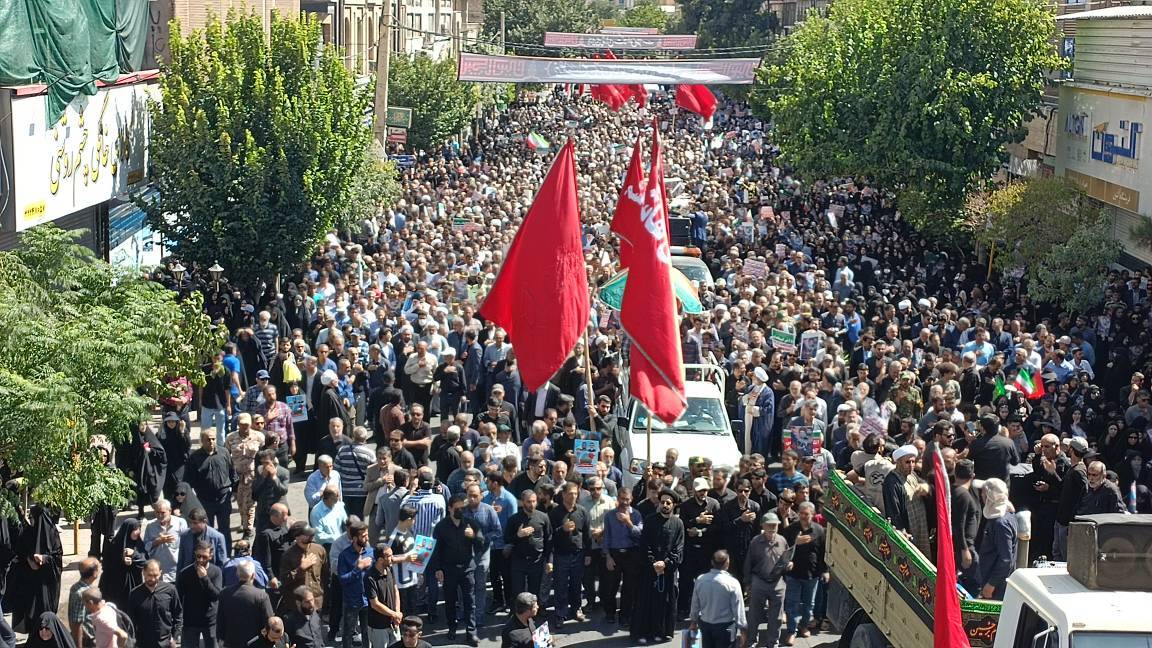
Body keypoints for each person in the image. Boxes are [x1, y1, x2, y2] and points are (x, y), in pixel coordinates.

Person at [429, 493, 483, 646]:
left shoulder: (471, 524)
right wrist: (438, 569)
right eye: (457, 508)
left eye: (462, 508)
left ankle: (471, 632)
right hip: (449, 569)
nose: (460, 511)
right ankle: (452, 627)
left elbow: (481, 543)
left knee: (470, 601)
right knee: (450, 600)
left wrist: (473, 536)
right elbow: (436, 550)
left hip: (467, 568)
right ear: (450, 508)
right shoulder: (441, 527)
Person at [631, 488, 684, 645]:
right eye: (662, 502)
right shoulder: (650, 520)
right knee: (645, 601)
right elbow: (645, 544)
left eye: (668, 503)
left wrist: (666, 563)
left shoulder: (678, 523)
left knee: (665, 602)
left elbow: (679, 548)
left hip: (668, 571)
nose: (665, 505)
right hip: (650, 569)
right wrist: (653, 562)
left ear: (673, 505)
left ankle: (661, 632)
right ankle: (642, 633)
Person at [13, 504, 65, 634]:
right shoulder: (28, 533)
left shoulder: (52, 533)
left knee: (45, 612)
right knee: (31, 613)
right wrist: (29, 560)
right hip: (30, 582)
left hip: (46, 583)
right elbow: (20, 552)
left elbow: (57, 557)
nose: (31, 520)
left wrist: (44, 558)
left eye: (32, 517)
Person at [781, 502, 828, 644]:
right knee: (792, 604)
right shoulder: (791, 529)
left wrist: (825, 571)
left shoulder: (819, 530)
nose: (803, 516)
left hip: (811, 574)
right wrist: (795, 542)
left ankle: (804, 626)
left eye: (806, 514)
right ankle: (791, 631)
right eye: (801, 513)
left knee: (809, 605)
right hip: (793, 574)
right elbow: (783, 548)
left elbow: (823, 552)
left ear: (812, 515)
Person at [187, 429, 237, 553]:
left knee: (224, 529)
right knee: (206, 530)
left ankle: (226, 554)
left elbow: (232, 472)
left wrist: (235, 490)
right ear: (202, 441)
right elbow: (189, 480)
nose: (211, 441)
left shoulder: (224, 452)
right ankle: (207, 555)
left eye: (213, 439)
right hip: (205, 500)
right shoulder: (194, 457)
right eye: (208, 439)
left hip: (223, 498)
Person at [745, 513, 790, 648]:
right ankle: (752, 641)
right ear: (763, 526)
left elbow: (787, 558)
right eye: (769, 525)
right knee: (754, 614)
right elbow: (748, 563)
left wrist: (789, 565)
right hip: (759, 581)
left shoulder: (782, 541)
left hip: (777, 582)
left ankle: (773, 642)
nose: (772, 528)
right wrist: (747, 583)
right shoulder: (755, 542)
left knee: (776, 617)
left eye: (774, 525)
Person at [548, 481, 590, 625]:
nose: (573, 496)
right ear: (564, 494)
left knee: (576, 584)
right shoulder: (555, 513)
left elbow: (587, 534)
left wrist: (588, 554)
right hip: (561, 554)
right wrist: (563, 529)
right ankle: (560, 613)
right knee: (560, 585)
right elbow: (550, 535)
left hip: (578, 554)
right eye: (570, 493)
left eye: (575, 493)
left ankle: (576, 608)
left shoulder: (582, 511)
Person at [601, 486, 642, 627]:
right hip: (614, 554)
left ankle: (625, 616)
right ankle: (610, 613)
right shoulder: (609, 516)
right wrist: (607, 556)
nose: (625, 502)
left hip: (631, 554)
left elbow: (640, 535)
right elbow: (606, 537)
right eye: (622, 499)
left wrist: (628, 522)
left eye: (627, 499)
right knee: (611, 587)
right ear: (617, 498)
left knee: (629, 588)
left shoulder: (636, 514)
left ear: (632, 499)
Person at [688, 551, 747, 648]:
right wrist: (743, 629)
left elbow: (695, 603)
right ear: (727, 563)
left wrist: (693, 622)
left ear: (712, 562)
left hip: (706, 625)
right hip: (725, 627)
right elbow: (738, 608)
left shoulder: (700, 580)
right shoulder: (732, 583)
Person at [504, 490, 551, 601]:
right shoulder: (514, 519)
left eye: (534, 501)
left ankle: (534, 610)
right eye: (529, 502)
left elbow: (549, 539)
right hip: (519, 560)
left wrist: (549, 560)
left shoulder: (543, 517)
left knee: (534, 591)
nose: (532, 504)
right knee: (518, 592)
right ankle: (517, 610)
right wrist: (518, 535)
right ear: (523, 502)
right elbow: (506, 539)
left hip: (536, 560)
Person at [977, 478, 1018, 600]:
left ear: (990, 497)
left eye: (984, 492)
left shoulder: (1001, 524)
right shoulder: (1006, 516)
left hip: (997, 589)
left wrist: (991, 584)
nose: (981, 495)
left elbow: (1006, 559)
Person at [177, 542, 223, 648]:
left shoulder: (216, 572)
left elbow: (216, 595)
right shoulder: (185, 573)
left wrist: (204, 578)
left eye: (204, 557)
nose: (201, 559)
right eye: (198, 556)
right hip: (190, 621)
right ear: (195, 554)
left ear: (210, 556)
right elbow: (178, 598)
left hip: (210, 621)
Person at [127, 560, 183, 648]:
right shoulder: (135, 594)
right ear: (143, 573)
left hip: (166, 643)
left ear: (160, 573)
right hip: (142, 643)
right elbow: (130, 621)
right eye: (149, 575)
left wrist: (175, 638)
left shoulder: (170, 590)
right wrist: (132, 642)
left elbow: (178, 614)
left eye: (155, 575)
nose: (152, 579)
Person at [337, 521, 373, 648]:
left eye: (367, 535)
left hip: (369, 600)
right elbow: (343, 579)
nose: (367, 538)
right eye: (363, 536)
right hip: (352, 602)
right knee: (348, 633)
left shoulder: (371, 552)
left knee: (367, 632)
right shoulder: (344, 556)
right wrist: (359, 568)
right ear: (354, 538)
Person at [278, 525, 328, 616]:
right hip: (297, 604)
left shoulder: (319, 550)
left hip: (317, 602)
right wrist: (301, 569)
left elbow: (325, 575)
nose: (310, 537)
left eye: (311, 534)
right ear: (297, 537)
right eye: (306, 535)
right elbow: (284, 580)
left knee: (316, 624)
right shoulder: (288, 555)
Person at [101, 518, 148, 610]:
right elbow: (106, 565)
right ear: (128, 530)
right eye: (135, 529)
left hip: (134, 583)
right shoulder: (114, 544)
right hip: (116, 586)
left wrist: (134, 555)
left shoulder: (139, 544)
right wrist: (121, 560)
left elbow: (145, 562)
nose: (138, 532)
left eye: (139, 529)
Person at [364, 544, 402, 648]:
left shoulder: (390, 569)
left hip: (393, 622)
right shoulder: (370, 577)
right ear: (380, 559)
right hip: (378, 626)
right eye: (389, 556)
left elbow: (395, 590)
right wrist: (394, 614)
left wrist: (397, 612)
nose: (392, 558)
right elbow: (375, 604)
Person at [145, 499, 189, 583]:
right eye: (157, 512)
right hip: (157, 573)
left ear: (170, 511)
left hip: (175, 571)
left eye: (163, 512)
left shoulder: (180, 523)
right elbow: (146, 547)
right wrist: (158, 541)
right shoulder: (150, 526)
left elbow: (186, 545)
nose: (160, 515)